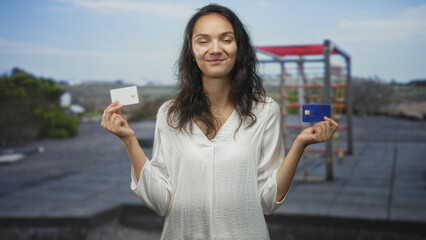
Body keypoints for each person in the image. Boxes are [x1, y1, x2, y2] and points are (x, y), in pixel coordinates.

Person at [101, 4, 338, 240]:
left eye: (226, 39)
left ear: (239, 47)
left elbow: (268, 201)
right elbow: (161, 202)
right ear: (191, 50)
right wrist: (129, 140)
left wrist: (299, 145)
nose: (215, 49)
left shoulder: (266, 111)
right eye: (203, 41)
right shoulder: (170, 114)